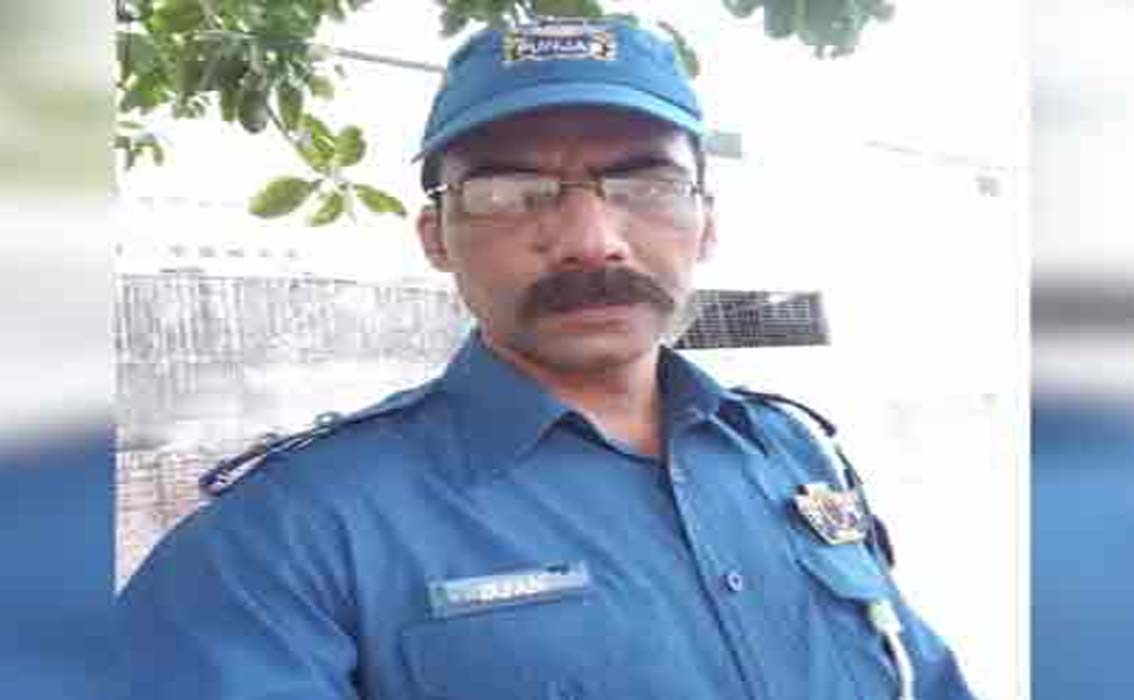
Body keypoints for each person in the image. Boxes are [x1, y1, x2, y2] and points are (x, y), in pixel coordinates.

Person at [120, 17, 976, 700]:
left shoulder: (790, 453)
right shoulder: (281, 539)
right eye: (510, 193)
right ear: (436, 237)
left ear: (707, 223)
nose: (590, 240)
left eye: (645, 186)